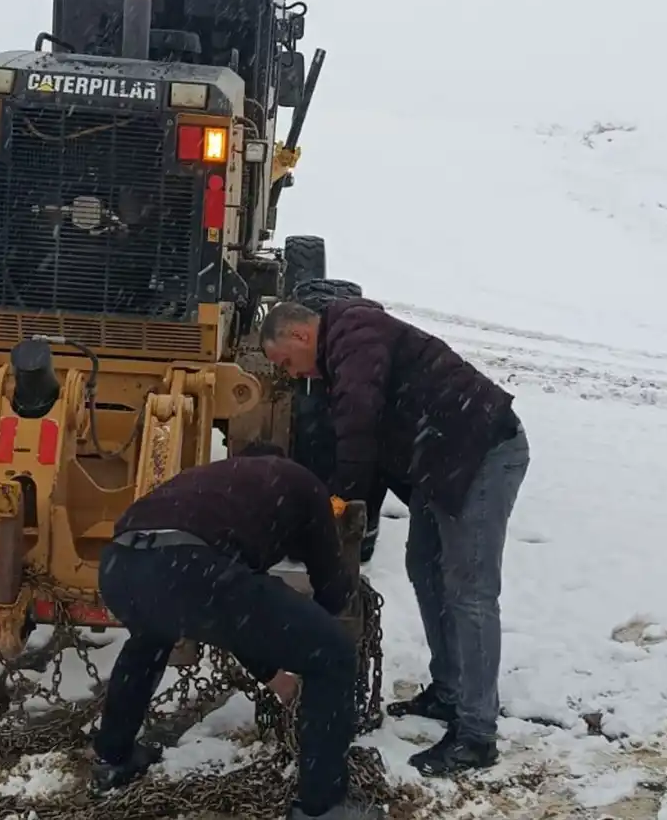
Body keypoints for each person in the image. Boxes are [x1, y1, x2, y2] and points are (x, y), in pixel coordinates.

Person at [259, 297, 530, 776]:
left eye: (285, 361)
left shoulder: (353, 336)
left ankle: (476, 734)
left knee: (470, 591)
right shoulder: (341, 350)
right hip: (440, 462)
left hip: (481, 452)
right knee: (424, 568)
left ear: (301, 335)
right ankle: (449, 691)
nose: (291, 373)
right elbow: (378, 445)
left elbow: (358, 426)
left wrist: (340, 501)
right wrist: (346, 509)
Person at [89, 444, 385, 820]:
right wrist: (312, 632)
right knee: (334, 653)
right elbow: (330, 591)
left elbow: (236, 615)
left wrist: (271, 671)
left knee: (150, 636)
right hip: (189, 566)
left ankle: (113, 758)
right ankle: (322, 806)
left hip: (119, 567)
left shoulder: (209, 482)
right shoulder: (303, 484)